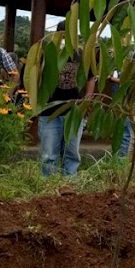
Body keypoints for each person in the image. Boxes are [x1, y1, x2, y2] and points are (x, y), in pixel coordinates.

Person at [38, 21, 95, 176]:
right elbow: (32, 76)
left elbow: (91, 77)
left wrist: (87, 99)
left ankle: (70, 184)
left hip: (74, 111)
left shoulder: (81, 54)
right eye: (63, 34)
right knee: (49, 154)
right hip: (48, 111)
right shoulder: (45, 52)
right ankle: (48, 185)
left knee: (71, 153)